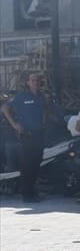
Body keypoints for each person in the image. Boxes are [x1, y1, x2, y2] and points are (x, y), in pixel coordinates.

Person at [1, 72, 56, 203]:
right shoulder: (22, 96)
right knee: (28, 164)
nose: (35, 82)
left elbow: (45, 112)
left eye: (37, 80)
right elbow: (4, 107)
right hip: (27, 134)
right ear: (28, 83)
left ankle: (32, 191)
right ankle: (27, 194)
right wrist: (14, 124)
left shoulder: (42, 97)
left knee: (37, 163)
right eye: (33, 80)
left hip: (39, 134)